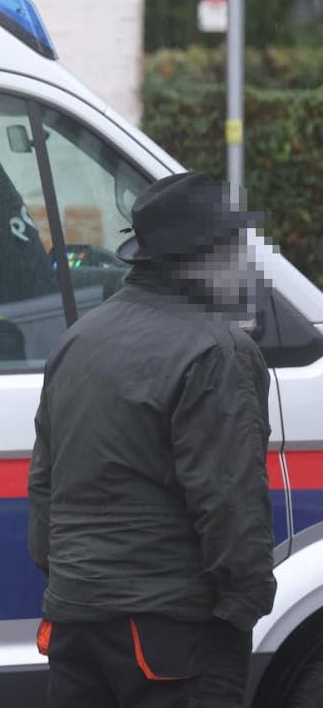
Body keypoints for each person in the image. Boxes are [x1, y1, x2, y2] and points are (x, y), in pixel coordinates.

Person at [28, 171, 274, 707]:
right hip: (171, 632)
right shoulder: (214, 350)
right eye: (237, 248)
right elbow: (230, 498)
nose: (245, 263)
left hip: (73, 622)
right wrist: (244, 605)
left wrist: (74, 582)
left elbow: (45, 485)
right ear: (207, 255)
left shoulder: (75, 342)